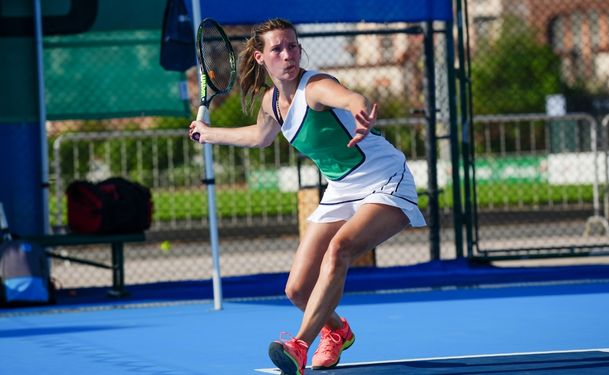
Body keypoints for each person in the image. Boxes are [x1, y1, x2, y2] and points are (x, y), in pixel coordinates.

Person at [189, 18, 426, 375]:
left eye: (293, 46)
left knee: (339, 250)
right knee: (297, 289)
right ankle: (337, 331)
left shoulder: (315, 86)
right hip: (341, 189)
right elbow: (259, 137)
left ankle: (298, 345)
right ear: (259, 57)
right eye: (277, 49)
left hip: (384, 178)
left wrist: (359, 108)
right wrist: (208, 134)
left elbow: (347, 97)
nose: (288, 55)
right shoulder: (271, 102)